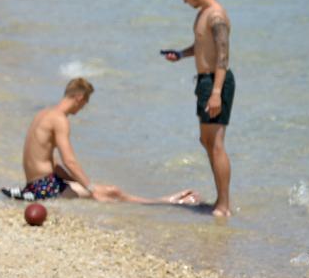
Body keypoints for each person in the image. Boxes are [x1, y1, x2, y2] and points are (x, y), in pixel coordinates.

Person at [18, 78, 198, 205]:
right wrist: (90, 188)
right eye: (85, 103)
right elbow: (69, 161)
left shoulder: (43, 114)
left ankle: (162, 201)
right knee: (113, 192)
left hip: (34, 184)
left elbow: (52, 162)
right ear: (79, 98)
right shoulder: (60, 120)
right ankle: (164, 202)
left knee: (103, 189)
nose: (82, 108)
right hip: (44, 188)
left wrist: (81, 183)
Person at [163, 0, 233, 219]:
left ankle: (224, 205)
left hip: (216, 82)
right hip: (205, 82)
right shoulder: (203, 14)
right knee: (206, 141)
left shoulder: (217, 16)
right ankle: (220, 199)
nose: (185, 3)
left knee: (216, 144)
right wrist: (181, 54)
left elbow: (223, 57)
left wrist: (216, 92)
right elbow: (203, 46)